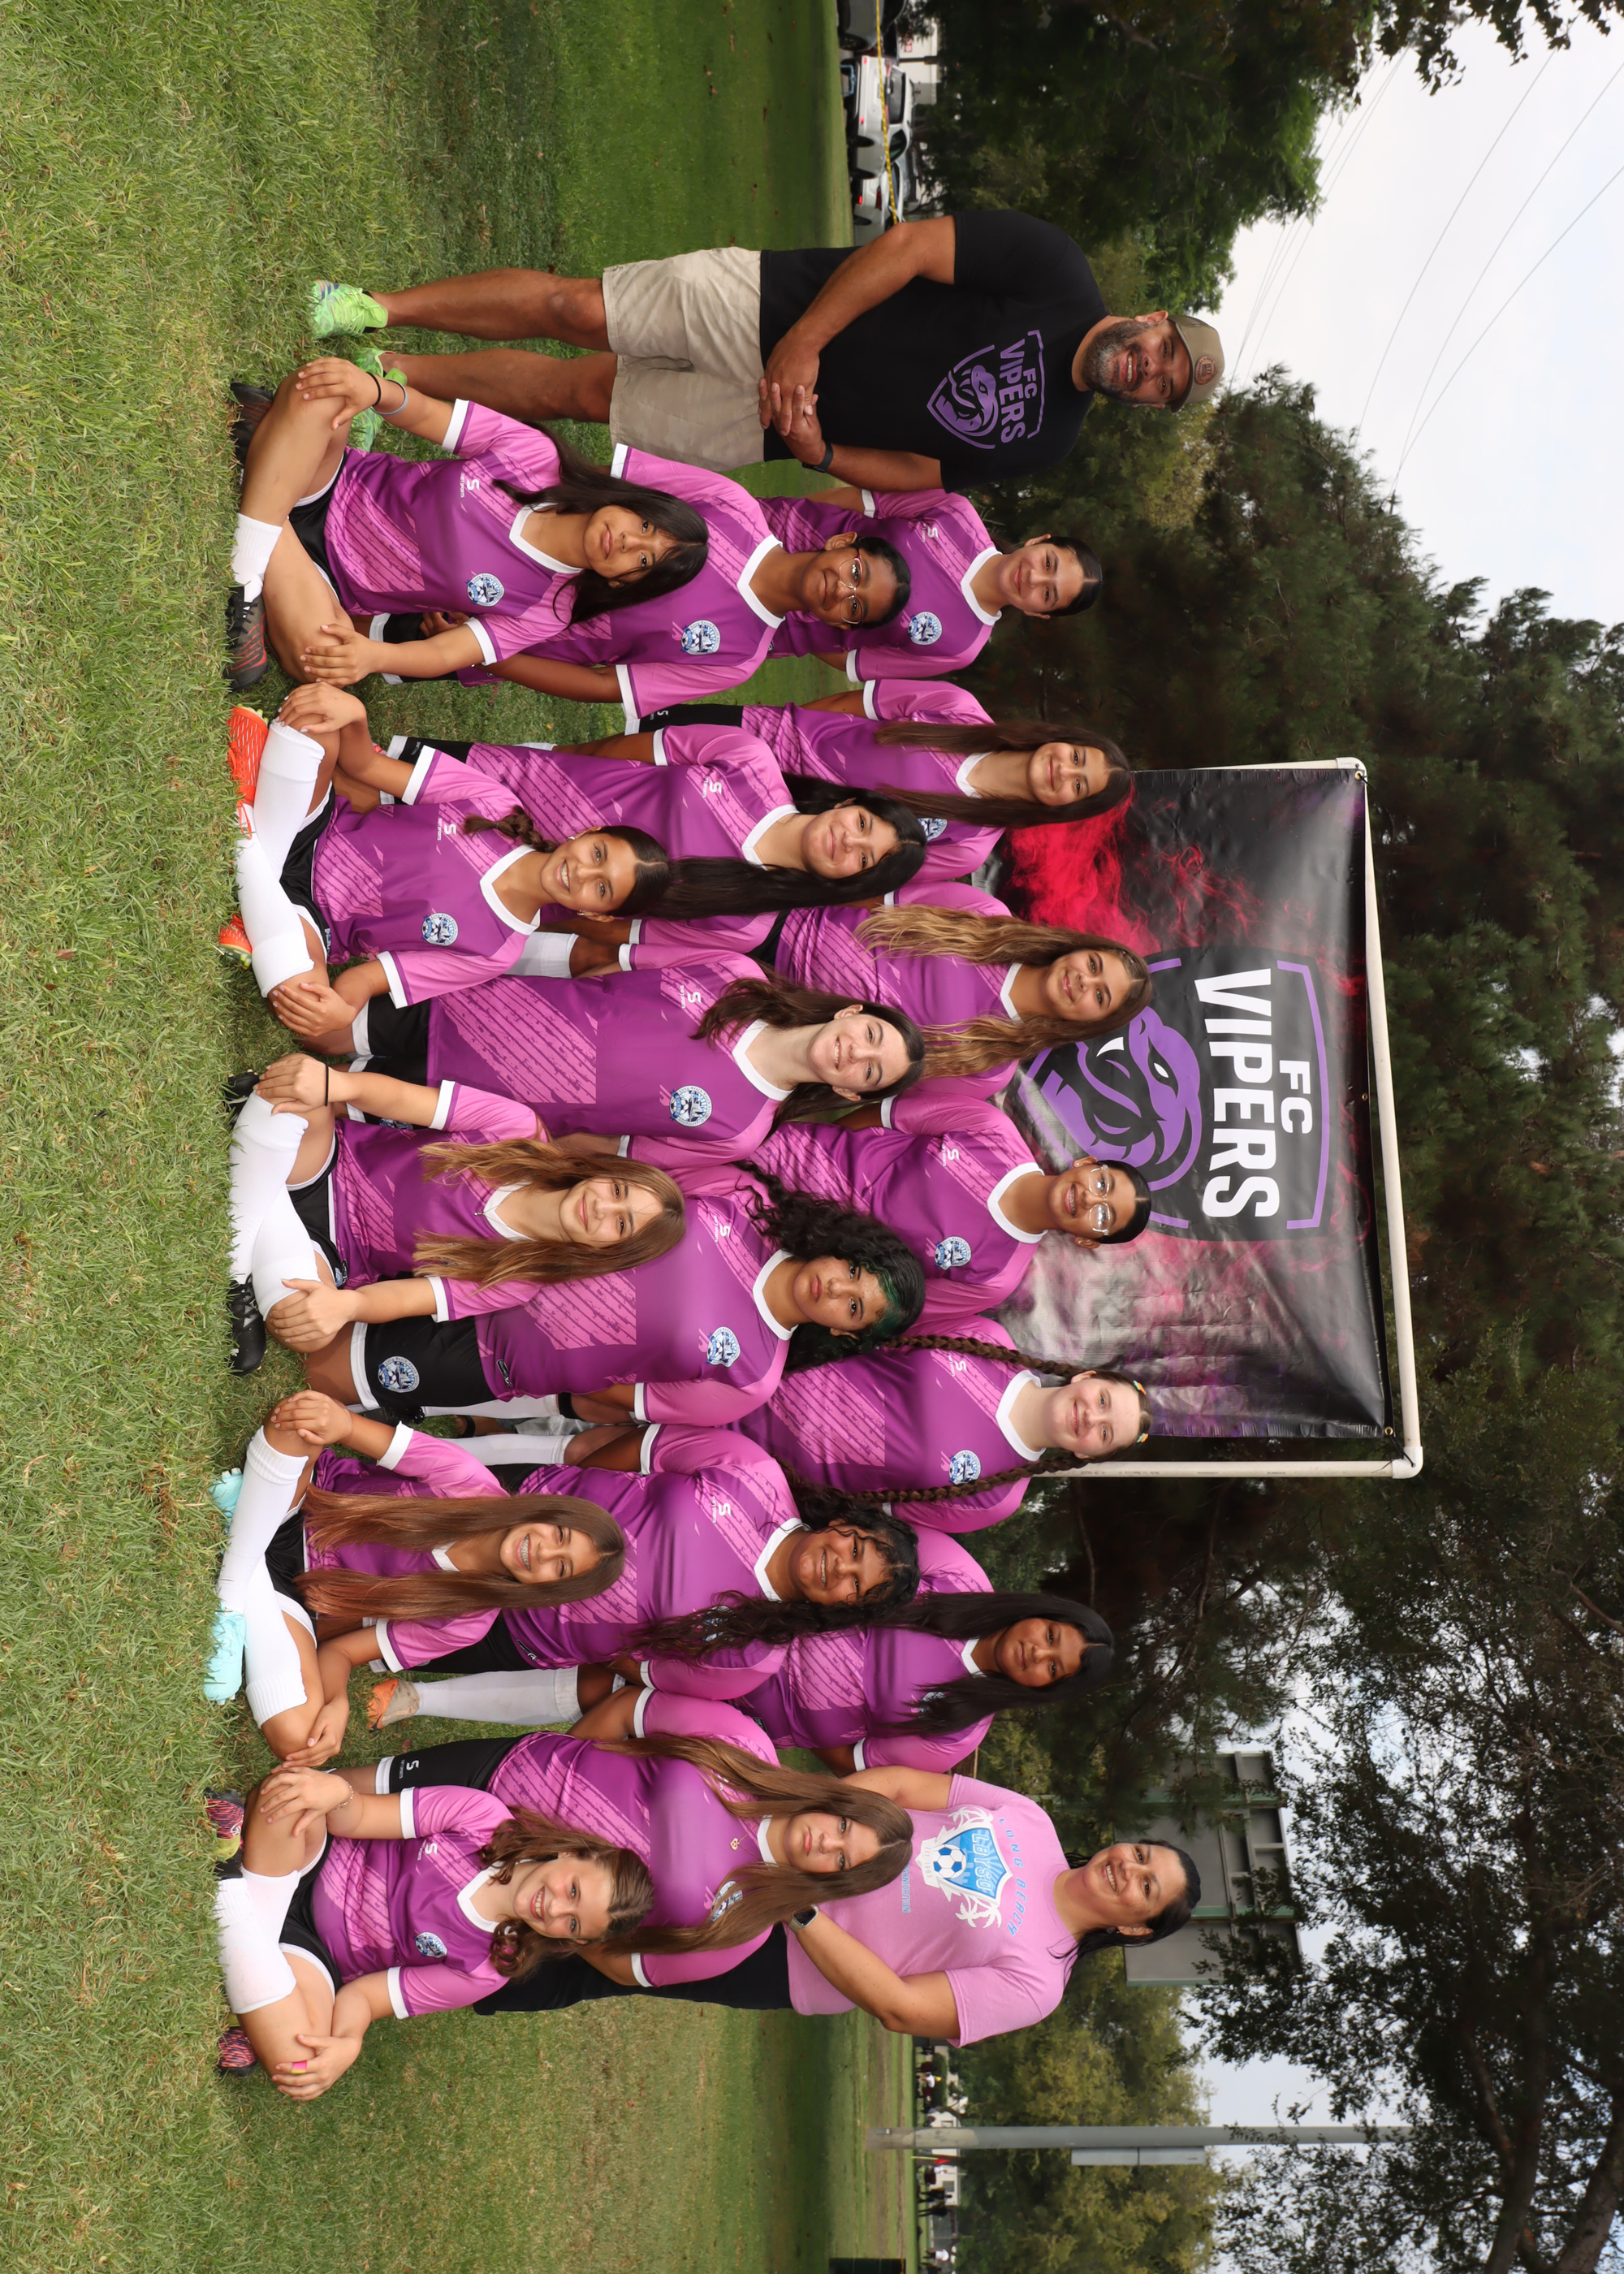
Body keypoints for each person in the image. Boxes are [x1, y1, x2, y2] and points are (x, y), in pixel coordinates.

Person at [305, 213, 1224, 490]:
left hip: (765, 425)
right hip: (768, 304)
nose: (1149, 370)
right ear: (1152, 318)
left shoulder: (1050, 440)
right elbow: (907, 248)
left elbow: (923, 472)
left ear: (1150, 405)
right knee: (576, 308)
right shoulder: (1057, 270)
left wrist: (821, 455)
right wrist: (803, 343)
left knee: (576, 397)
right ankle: (378, 309)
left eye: (1163, 387)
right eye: (1163, 351)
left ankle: (398, 379)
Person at [419, 1749, 1201, 2035]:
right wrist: (818, 1823)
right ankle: (446, 1860)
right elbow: (903, 1785)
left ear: (1137, 1928)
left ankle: (446, 1966)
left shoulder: (1038, 1982)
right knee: (599, 1868)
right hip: (787, 1848)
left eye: (1146, 1887)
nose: (1127, 1870)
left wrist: (800, 1909)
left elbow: (902, 2007)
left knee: (608, 1961)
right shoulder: (1028, 1820)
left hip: (783, 1951)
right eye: (1141, 1854)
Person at [282, 1415, 922, 1733]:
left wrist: (587, 1619)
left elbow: (640, 1668)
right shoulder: (752, 1473)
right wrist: (570, 1497)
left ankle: (295, 1611)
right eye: (855, 1548)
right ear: (845, 1524)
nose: (840, 1566)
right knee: (408, 1515)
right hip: (532, 1513)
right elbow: (637, 1453)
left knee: (370, 1615)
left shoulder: (753, 1658)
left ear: (845, 1608)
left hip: (521, 1628)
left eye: (855, 1584)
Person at [351, 1693, 914, 2014]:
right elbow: (629, 1712)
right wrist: (561, 1763)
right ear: (836, 1800)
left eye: (842, 1859)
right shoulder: (747, 1747)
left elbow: (627, 1967)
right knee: (350, 1799)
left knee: (367, 1915)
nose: (827, 1842)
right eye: (843, 1826)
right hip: (499, 1780)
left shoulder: (743, 1929)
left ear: (833, 1881)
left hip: (510, 1901)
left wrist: (568, 1919)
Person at [298, 1166, 926, 1434]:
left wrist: (557, 1344)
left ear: (844, 1333)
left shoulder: (753, 1377)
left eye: (853, 1307)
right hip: (491, 1248)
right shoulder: (740, 1205)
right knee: (331, 1254)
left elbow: (620, 1396)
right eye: (853, 1270)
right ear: (844, 1247)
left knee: (313, 1367)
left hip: (485, 1355)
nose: (837, 1288)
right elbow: (625, 1187)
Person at [224, 357, 707, 691]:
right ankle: (252, 564)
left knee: (319, 661)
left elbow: (445, 655)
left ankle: (269, 472)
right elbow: (427, 414)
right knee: (327, 393)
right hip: (331, 484)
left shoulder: (550, 608)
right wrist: (375, 390)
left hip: (326, 579)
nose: (626, 541)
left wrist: (372, 657)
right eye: (645, 525)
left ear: (623, 582)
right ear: (630, 499)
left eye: (643, 560)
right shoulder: (536, 457)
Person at [226, 696, 671, 1053]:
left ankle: (252, 830)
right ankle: (256, 899)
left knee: (301, 993)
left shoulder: (498, 951)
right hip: (314, 827)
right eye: (597, 853)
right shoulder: (497, 806)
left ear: (597, 915)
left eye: (602, 888)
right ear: (589, 833)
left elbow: (365, 979)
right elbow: (365, 766)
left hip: (311, 920)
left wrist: (343, 1010)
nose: (583, 871)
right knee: (317, 723)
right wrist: (355, 715)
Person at [202, 1397, 626, 1766]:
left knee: (299, 1737)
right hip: (303, 1506)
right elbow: (346, 1426)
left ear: (551, 1590)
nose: (546, 1553)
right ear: (549, 1510)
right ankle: (235, 1592)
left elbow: (341, 1652)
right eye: (560, 1535)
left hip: (296, 1594)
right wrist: (331, 1418)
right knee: (297, 1428)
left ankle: (244, 1537)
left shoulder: (469, 1622)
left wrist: (338, 1701)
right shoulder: (468, 1479)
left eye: (561, 1569)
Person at [351, 441, 911, 717]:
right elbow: (605, 484)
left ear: (842, 625)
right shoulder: (733, 506)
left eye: (856, 606)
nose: (845, 590)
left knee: (337, 643)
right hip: (485, 545)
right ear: (840, 543)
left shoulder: (738, 658)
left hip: (483, 637)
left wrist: (486, 655)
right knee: (351, 548)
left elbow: (603, 685)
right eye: (856, 571)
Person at [222, 1051, 683, 1375]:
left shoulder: (519, 1278)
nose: (602, 1206)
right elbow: (402, 1100)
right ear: (606, 1170)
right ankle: (242, 1264)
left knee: (310, 1330)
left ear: (609, 1252)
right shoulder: (520, 1131)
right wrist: (338, 1085)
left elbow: (409, 1298)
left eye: (620, 1224)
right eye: (617, 1189)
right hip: (324, 1164)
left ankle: (256, 1166)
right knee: (307, 1093)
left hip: (329, 1249)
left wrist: (347, 1306)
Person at [212, 1757, 654, 2092]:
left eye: (572, 1924)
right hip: (311, 1861)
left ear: (573, 1942)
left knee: (300, 2062)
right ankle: (250, 1970)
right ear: (572, 1853)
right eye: (573, 1890)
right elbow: (359, 1816)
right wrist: (337, 1793)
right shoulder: (483, 1818)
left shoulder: (487, 1970)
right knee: (290, 1791)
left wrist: (348, 2042)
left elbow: (364, 1997)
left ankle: (235, 1889)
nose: (555, 1909)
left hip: (314, 1957)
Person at [379, 715, 928, 971]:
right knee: (363, 790)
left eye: (863, 859)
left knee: (373, 878)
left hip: (504, 891)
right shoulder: (750, 761)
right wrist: (546, 773)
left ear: (850, 882)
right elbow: (618, 751)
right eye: (862, 823)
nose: (847, 841)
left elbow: (614, 930)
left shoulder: (745, 925)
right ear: (845, 803)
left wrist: (530, 910)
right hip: (501, 786)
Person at [348, 958, 926, 1168]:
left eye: (870, 1072)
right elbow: (613, 973)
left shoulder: (742, 1132)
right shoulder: (739, 977)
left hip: (468, 1099)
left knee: (335, 1096)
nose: (857, 1053)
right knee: (326, 1022)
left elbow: (606, 1147)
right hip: (476, 1013)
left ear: (850, 1094)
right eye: (871, 1035)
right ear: (852, 1011)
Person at [586, 1321, 1151, 1532]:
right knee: (593, 1391)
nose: (1092, 1417)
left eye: (1106, 1433)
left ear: (1089, 1455)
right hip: (739, 1375)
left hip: (742, 1474)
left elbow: (882, 1516)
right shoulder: (990, 1343)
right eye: (1104, 1400)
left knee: (592, 1461)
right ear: (1087, 1377)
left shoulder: (996, 1499)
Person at [643, 689, 1133, 887]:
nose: (1063, 771)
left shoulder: (968, 846)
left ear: (1067, 809)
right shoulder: (959, 710)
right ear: (1062, 739)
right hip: (752, 742)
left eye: (1078, 786)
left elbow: (869, 875)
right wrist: (784, 731)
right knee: (632, 746)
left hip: (762, 837)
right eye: (1076, 758)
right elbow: (853, 704)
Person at [720, 1109, 1150, 1329]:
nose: (1091, 1198)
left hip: (778, 1249)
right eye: (1103, 1182)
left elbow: (891, 1305)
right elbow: (884, 1115)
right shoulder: (992, 1130)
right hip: (784, 1157)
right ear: (1086, 1163)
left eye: (1104, 1216)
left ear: (1087, 1241)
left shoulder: (996, 1277)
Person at [634, 1584, 1117, 1777]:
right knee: (627, 1642)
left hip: (733, 1719)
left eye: (1053, 1668)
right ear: (1042, 1612)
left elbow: (857, 1766)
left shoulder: (959, 1731)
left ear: (1045, 1689)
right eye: (1050, 1636)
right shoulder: (958, 1580)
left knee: (623, 1705)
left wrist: (800, 1720)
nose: (1038, 1653)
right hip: (735, 1627)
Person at [761, 882, 1151, 1111]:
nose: (1085, 981)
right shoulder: (987, 915)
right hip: (777, 928)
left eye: (1100, 997)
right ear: (1082, 947)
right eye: (1094, 965)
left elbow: (877, 1093)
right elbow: (870, 898)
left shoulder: (988, 1067)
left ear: (1090, 1024)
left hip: (772, 1024)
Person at [760, 489, 1099, 680]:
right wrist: (786, 515)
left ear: (1039, 614)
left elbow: (854, 661)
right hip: (771, 532)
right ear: (1039, 541)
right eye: (1048, 563)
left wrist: (799, 627)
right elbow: (862, 502)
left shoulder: (961, 647)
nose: (1034, 578)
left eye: (1048, 593)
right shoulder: (957, 513)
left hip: (771, 622)